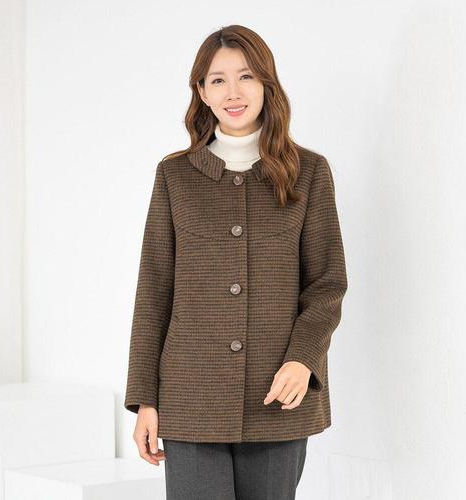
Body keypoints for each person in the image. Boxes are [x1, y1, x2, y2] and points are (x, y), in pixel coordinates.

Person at [124, 24, 348, 500]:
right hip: (189, 398)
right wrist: (145, 398)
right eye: (218, 80)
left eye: (246, 76)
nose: (233, 92)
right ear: (202, 92)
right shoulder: (175, 176)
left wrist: (303, 359)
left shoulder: (309, 172)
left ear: (267, 83)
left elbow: (327, 285)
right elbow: (154, 291)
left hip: (277, 397)